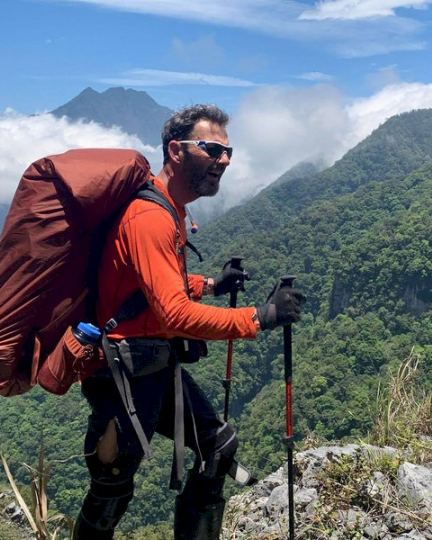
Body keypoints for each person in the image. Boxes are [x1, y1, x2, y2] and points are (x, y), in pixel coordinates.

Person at [74, 104, 306, 539]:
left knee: (217, 448)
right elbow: (174, 313)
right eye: (212, 148)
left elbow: (157, 285)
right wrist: (261, 316)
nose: (224, 160)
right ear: (176, 152)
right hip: (123, 372)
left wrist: (215, 284)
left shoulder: (171, 210)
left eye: (228, 151)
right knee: (112, 490)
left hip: (155, 365)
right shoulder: (149, 217)